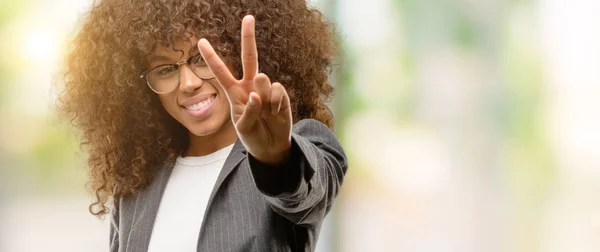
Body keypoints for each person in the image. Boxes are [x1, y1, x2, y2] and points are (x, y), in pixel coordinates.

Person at [57, 0, 348, 251]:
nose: (188, 83)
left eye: (201, 58)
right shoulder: (139, 179)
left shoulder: (296, 148)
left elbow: (307, 193)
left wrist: (275, 159)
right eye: (166, 68)